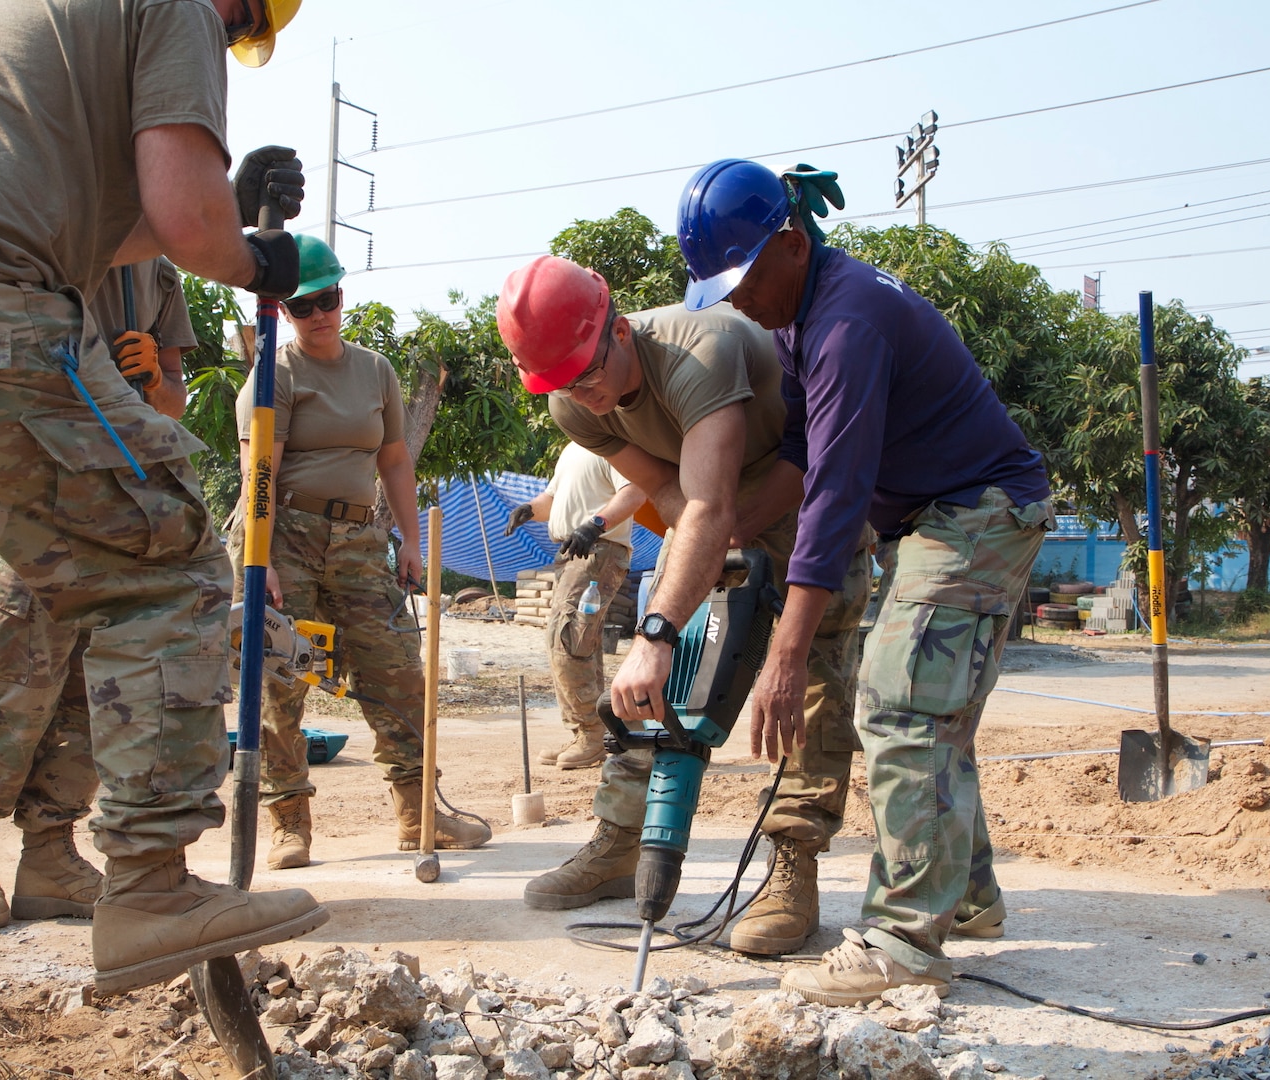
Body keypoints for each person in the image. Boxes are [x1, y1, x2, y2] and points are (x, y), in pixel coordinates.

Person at [0, 0, 328, 997]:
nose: (231, 36)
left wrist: (230, 185)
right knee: (165, 557)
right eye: (247, 21)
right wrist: (257, 255)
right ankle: (151, 891)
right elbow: (188, 223)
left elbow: (118, 221)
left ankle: (70, 853)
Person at [676, 159, 1054, 1004]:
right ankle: (971, 897)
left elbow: (840, 498)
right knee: (931, 705)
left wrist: (785, 653)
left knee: (898, 700)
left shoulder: (849, 325)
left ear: (790, 243)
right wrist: (722, 530)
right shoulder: (797, 318)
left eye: (740, 279)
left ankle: (904, 942)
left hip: (976, 513)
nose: (736, 299)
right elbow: (806, 461)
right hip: (941, 517)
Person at [496, 256, 870, 957]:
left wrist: (664, 620)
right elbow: (669, 493)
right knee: (654, 679)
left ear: (619, 327)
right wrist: (671, 618)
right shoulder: (572, 400)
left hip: (801, 489)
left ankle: (794, 865)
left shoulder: (701, 350)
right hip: (703, 504)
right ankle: (620, 841)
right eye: (565, 382)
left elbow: (719, 498)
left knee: (809, 679)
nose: (586, 391)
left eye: (589, 369)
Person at [0, 259, 198, 931]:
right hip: (33, 492)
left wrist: (154, 379)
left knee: (92, 688)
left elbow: (173, 400)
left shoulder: (159, 280)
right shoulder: (48, 242)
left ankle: (49, 854)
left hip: (116, 502)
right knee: (11, 673)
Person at [230, 235, 491, 868]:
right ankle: (289, 821)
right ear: (283, 312)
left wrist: (408, 540)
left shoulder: (375, 370)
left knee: (397, 669)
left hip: (359, 538)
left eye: (331, 298)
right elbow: (257, 473)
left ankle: (417, 811)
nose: (321, 314)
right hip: (284, 535)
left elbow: (395, 459)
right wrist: (258, 564)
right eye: (305, 305)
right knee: (279, 682)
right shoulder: (274, 376)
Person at [505, 441, 647, 770]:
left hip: (598, 549)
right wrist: (528, 509)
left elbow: (635, 491)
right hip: (575, 551)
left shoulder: (611, 443)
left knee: (567, 638)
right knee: (579, 641)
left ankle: (591, 735)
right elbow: (552, 501)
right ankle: (595, 730)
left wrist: (594, 524)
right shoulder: (572, 449)